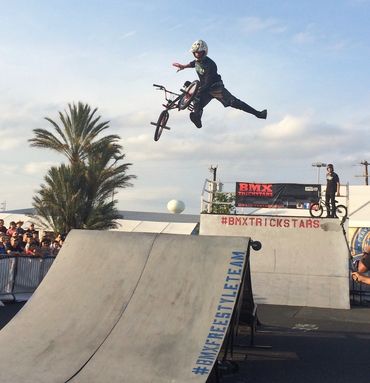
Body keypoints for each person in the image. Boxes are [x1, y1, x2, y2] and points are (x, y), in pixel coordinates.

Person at [172, 39, 267, 129]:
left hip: (215, 87)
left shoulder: (210, 65)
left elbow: (208, 84)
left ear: (204, 52)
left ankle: (259, 114)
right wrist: (183, 66)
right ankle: (197, 117)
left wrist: (198, 91)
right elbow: (193, 64)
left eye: (199, 53)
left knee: (234, 102)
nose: (197, 55)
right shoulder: (197, 61)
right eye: (195, 53)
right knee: (197, 100)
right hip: (204, 86)